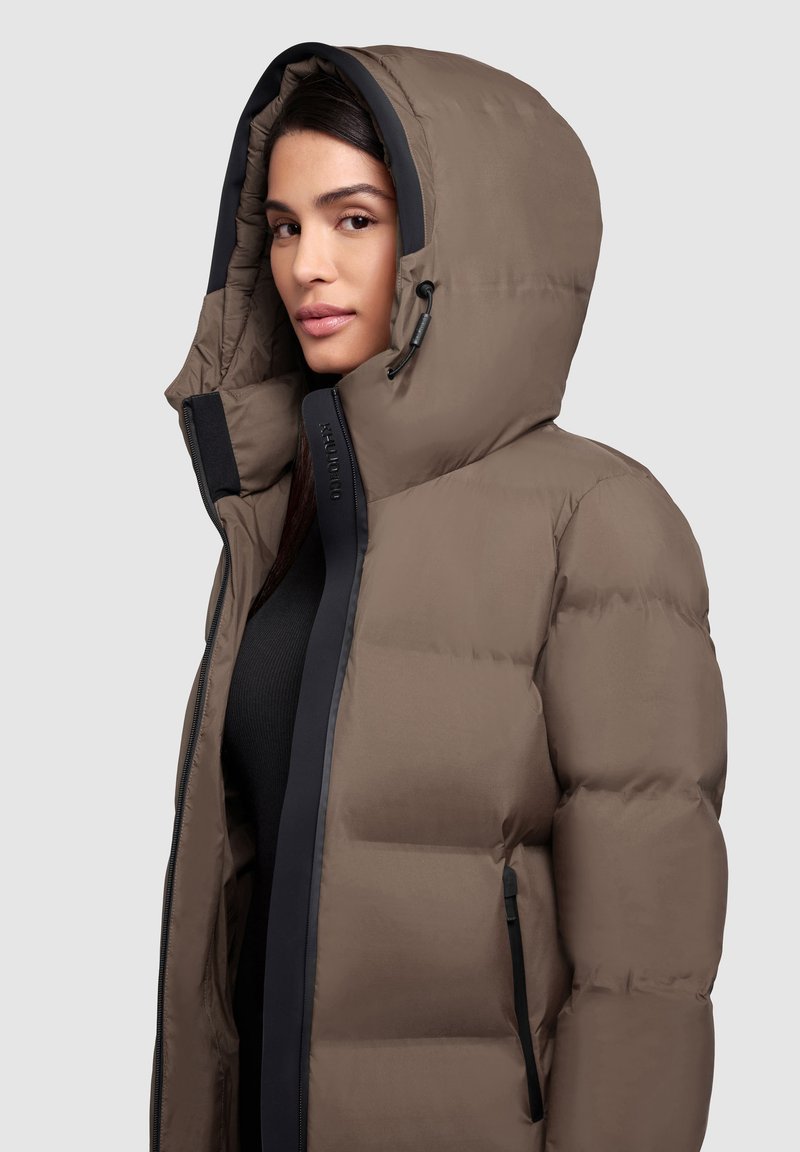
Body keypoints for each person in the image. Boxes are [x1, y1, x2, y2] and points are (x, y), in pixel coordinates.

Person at [149, 42, 728, 1152]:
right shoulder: (281, 523)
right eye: (284, 227)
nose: (307, 265)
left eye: (354, 219)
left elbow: (643, 980)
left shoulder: (598, 521)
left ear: (454, 249)